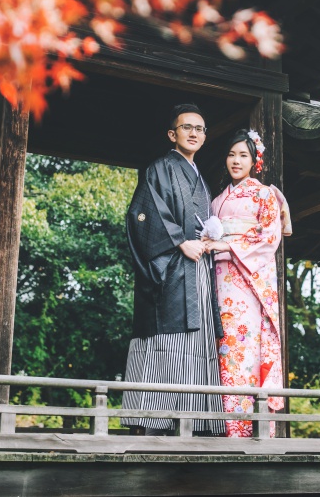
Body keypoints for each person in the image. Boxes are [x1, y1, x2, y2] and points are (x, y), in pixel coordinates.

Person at [121, 103, 225, 436]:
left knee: (198, 340)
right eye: (187, 127)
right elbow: (143, 213)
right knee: (170, 340)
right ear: (172, 134)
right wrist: (181, 241)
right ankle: (156, 421)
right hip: (174, 267)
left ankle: (193, 422)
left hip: (199, 267)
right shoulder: (160, 168)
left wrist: (207, 239)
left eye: (200, 129)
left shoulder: (200, 177)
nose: (194, 133)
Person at [204, 128, 291, 438]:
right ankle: (220, 425)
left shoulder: (265, 194)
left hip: (246, 283)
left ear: (255, 160)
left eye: (243, 155)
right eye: (231, 154)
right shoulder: (216, 200)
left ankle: (245, 428)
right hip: (218, 279)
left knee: (242, 349)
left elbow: (269, 237)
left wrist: (227, 246)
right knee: (219, 349)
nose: (236, 161)